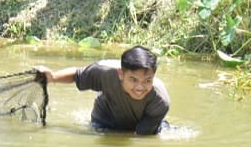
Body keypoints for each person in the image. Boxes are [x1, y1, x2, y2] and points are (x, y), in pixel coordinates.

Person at [35, 45, 170, 135]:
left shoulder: (160, 101)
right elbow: (77, 74)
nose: (140, 88)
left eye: (147, 81)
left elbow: (140, 137)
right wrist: (52, 77)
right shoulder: (105, 72)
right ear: (121, 74)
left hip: (138, 125)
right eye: (133, 80)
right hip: (104, 120)